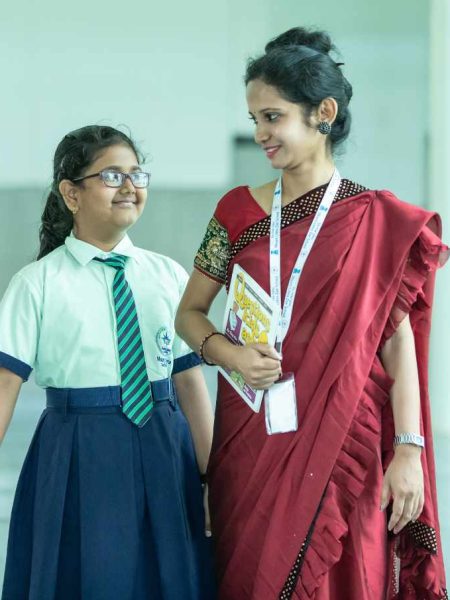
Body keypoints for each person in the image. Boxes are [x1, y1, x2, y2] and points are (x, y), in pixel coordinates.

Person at [175, 28, 448, 600]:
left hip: (347, 439)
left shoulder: (376, 219)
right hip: (251, 441)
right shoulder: (237, 212)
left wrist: (408, 451)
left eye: (272, 117)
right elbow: (191, 314)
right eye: (254, 119)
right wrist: (232, 356)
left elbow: (396, 343)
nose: (260, 134)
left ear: (323, 112)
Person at [0, 125, 216, 599]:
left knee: (171, 578)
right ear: (71, 194)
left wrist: (210, 475)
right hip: (78, 449)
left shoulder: (168, 275)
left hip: (165, 447)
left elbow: (189, 385)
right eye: (113, 175)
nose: (131, 186)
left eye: (138, 174)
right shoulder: (36, 283)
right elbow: (4, 387)